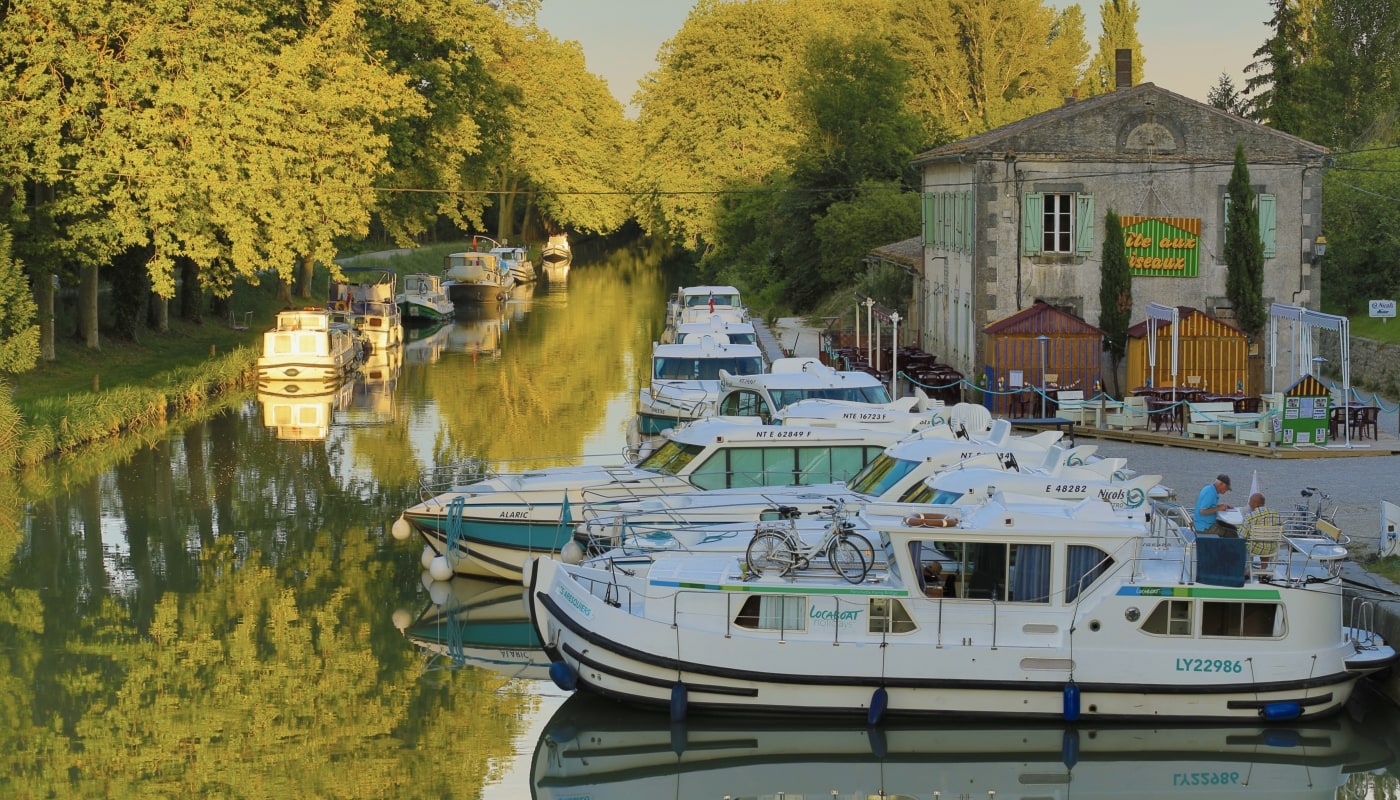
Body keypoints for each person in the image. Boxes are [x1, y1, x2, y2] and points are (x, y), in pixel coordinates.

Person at [1241, 492, 1283, 568]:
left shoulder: (1250, 516)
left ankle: (1247, 569)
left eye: (1250, 502)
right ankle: (1263, 570)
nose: (1249, 504)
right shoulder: (1277, 515)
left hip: (1254, 549)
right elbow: (1281, 532)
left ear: (1255, 503)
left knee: (1246, 543)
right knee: (1266, 541)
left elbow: (1242, 536)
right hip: (1272, 548)